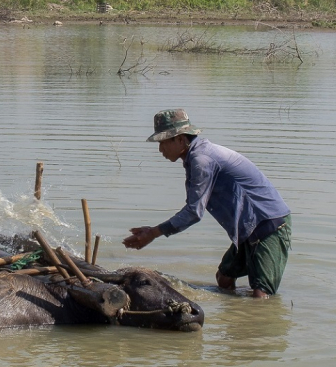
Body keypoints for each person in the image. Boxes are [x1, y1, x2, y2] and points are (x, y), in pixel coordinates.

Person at [122, 109, 291, 298]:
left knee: (261, 297)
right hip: (248, 228)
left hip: (268, 225)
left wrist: (153, 233)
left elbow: (194, 212)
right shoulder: (195, 157)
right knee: (224, 278)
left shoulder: (202, 160)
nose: (160, 149)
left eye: (163, 142)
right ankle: (235, 319)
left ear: (180, 139)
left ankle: (257, 323)